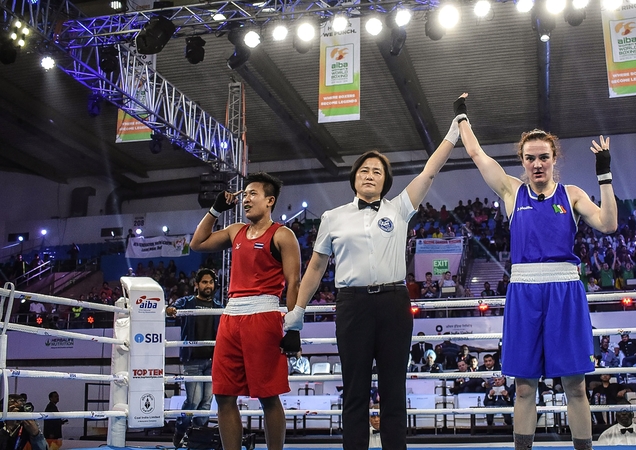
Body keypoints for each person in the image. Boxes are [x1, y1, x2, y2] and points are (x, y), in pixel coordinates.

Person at [286, 108, 465, 450]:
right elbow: (316, 267)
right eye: (364, 170)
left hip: (393, 303)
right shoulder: (332, 217)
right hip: (351, 305)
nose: (370, 175)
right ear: (354, 178)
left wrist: (453, 132)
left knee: (394, 390)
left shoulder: (398, 209)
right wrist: (297, 310)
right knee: (354, 391)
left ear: (386, 181)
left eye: (377, 171)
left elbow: (429, 172)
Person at [458, 93, 617, 450]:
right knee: (525, 385)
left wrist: (604, 173)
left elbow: (608, 223)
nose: (537, 164)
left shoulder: (572, 194)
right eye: (530, 158)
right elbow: (476, 154)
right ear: (523, 161)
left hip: (565, 289)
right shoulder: (512, 192)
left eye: (544, 157)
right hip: (524, 290)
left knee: (574, 384)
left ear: (554, 158)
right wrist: (461, 116)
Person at [189, 172, 301, 450]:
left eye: (253, 194)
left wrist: (294, 328)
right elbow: (197, 244)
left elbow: (294, 282)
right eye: (245, 194)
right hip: (231, 317)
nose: (246, 199)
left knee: (268, 396)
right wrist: (215, 210)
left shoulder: (283, 235)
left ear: (270, 201)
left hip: (264, 316)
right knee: (223, 394)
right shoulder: (235, 230)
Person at [165, 268, 223, 446]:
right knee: (193, 401)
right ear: (197, 284)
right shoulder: (187, 302)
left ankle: (199, 439)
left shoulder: (218, 307)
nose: (208, 285)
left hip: (212, 360)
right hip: (193, 360)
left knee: (206, 403)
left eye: (211, 282)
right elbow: (171, 310)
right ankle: (180, 430)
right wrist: (171, 310)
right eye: (204, 282)